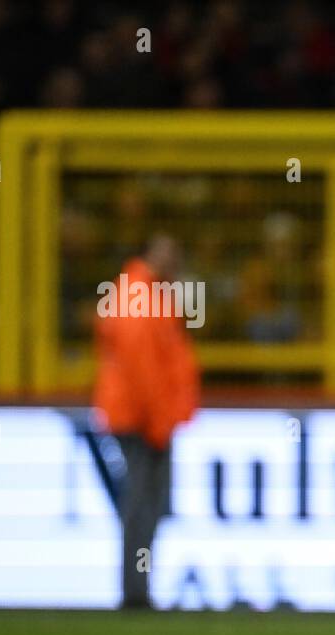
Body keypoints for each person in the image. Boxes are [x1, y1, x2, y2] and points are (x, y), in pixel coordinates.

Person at [92, 234, 200, 609]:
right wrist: (158, 421)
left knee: (144, 504)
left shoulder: (143, 292)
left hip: (140, 416)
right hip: (139, 419)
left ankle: (137, 588)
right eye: (170, 253)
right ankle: (134, 592)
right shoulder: (141, 295)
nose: (175, 261)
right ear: (152, 254)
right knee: (141, 505)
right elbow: (144, 369)